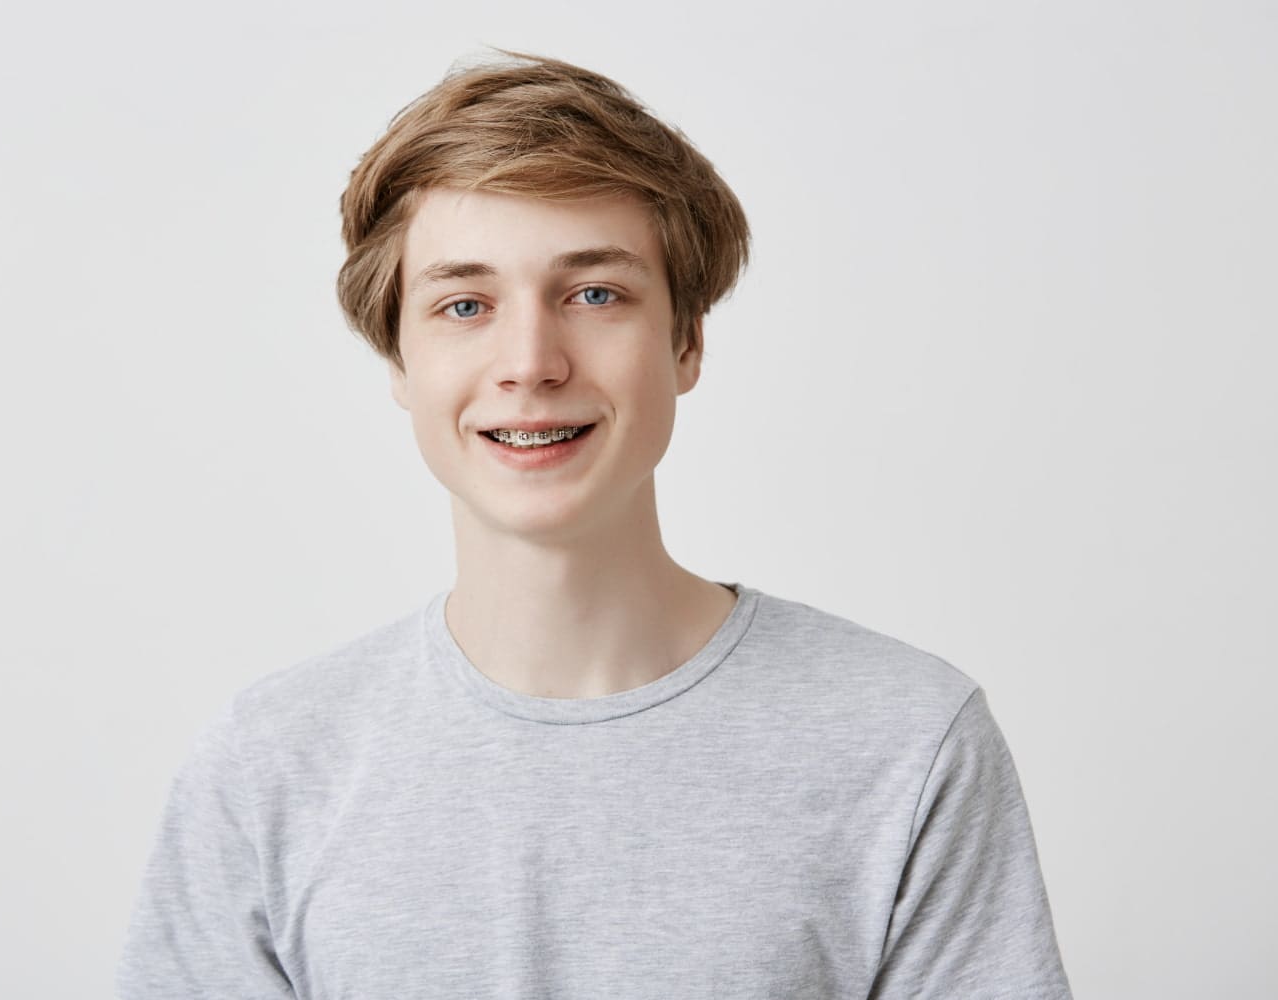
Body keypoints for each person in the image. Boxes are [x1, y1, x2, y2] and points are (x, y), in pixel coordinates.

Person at [115, 50, 1074, 999]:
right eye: (464, 304)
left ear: (686, 339)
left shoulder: (906, 741)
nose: (530, 361)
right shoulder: (270, 767)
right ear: (400, 363)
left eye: (595, 294)